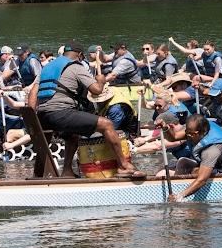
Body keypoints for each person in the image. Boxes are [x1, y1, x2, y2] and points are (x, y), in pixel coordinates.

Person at [35, 41, 144, 180]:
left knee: (72, 135)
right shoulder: (75, 65)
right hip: (61, 113)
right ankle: (124, 166)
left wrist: (34, 116)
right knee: (107, 124)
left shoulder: (47, 67)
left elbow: (33, 92)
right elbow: (97, 91)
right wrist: (101, 80)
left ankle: (67, 171)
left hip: (42, 116)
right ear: (80, 55)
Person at [165, 114, 222, 202]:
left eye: (192, 134)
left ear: (203, 132)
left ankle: (179, 193)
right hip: (217, 166)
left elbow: (202, 180)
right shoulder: (195, 131)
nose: (188, 136)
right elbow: (174, 137)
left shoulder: (211, 150)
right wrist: (165, 128)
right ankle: (178, 188)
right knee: (183, 162)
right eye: (187, 132)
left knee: (198, 173)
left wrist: (180, 196)